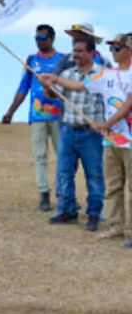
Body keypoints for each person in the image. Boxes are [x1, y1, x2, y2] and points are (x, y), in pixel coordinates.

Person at [38, 37, 110, 231]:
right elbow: (53, 95)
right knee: (64, 173)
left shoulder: (102, 74)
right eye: (74, 51)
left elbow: (82, 87)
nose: (75, 55)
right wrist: (47, 86)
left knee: (94, 176)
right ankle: (67, 211)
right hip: (69, 130)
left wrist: (56, 79)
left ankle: (94, 214)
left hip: (91, 134)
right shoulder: (67, 73)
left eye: (80, 51)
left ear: (92, 52)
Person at [3, 24, 68, 211]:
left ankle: (64, 194)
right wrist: (11, 111)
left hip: (59, 116)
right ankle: (44, 193)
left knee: (63, 157)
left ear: (52, 39)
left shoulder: (62, 60)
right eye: (36, 38)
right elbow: (23, 87)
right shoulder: (31, 61)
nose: (40, 42)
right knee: (40, 156)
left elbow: (71, 85)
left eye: (43, 38)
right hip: (38, 116)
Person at [78, 33, 132, 245]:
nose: (113, 51)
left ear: (129, 49)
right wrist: (54, 80)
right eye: (111, 48)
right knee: (113, 186)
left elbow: (129, 104)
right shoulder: (108, 74)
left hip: (129, 139)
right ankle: (116, 226)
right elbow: (81, 85)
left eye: (117, 47)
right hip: (112, 141)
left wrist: (105, 124)